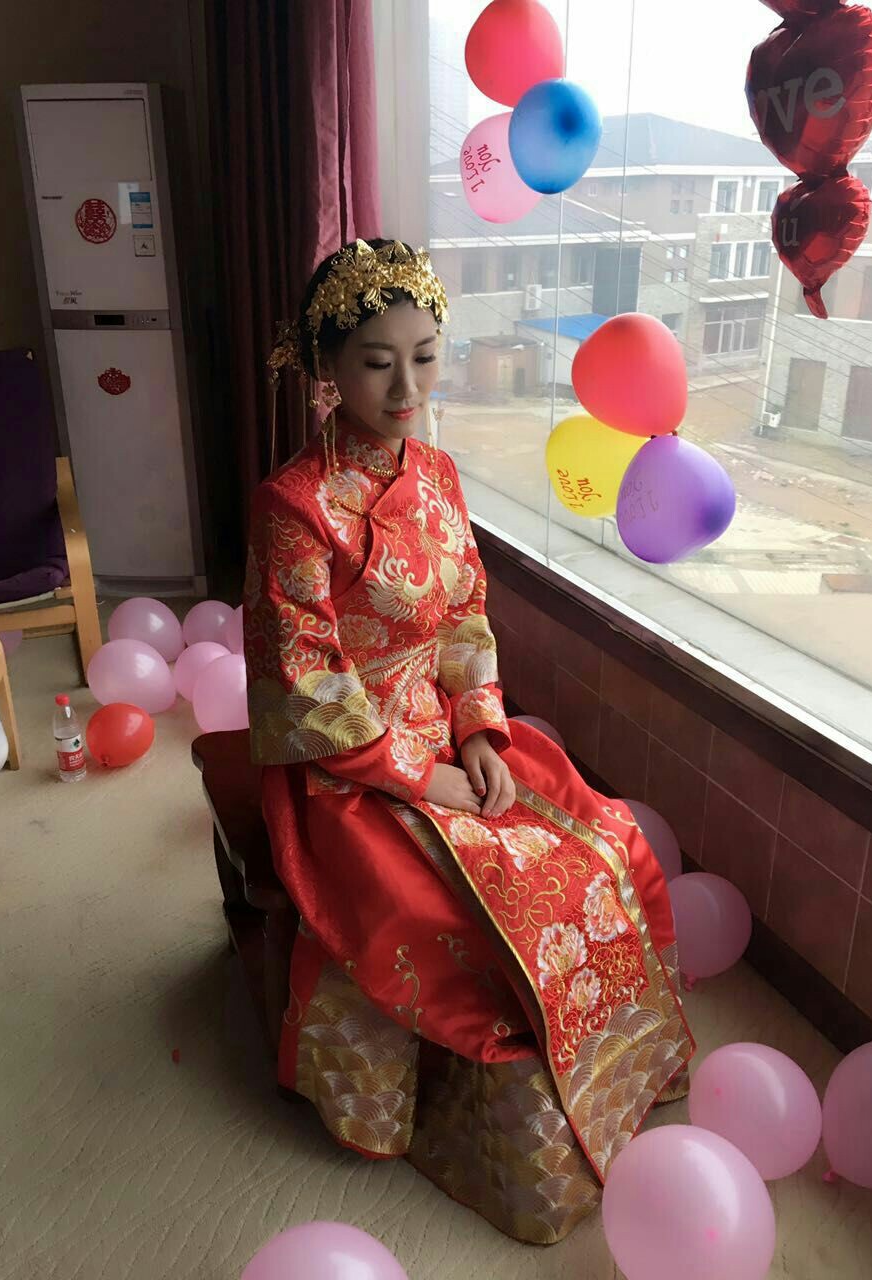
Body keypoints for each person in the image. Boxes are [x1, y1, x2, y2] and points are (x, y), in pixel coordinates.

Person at [244, 239, 693, 1245]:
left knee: (602, 842)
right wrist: (422, 777)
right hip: (346, 765)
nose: (407, 388)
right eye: (377, 362)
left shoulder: (440, 474)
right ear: (327, 365)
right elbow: (305, 680)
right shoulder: (293, 506)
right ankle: (477, 1125)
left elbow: (464, 618)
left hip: (446, 724)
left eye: (426, 356)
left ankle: (621, 1078)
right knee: (459, 911)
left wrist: (482, 730)